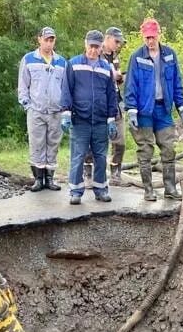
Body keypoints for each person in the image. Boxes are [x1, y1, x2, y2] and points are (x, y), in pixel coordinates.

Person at [124, 18, 183, 201]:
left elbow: (177, 82)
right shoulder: (137, 57)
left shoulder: (169, 55)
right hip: (144, 111)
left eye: (152, 37)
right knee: (145, 150)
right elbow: (131, 86)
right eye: (146, 38)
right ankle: (149, 190)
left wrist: (181, 107)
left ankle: (170, 188)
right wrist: (131, 110)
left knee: (168, 148)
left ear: (158, 34)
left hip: (163, 109)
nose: (150, 41)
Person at [60, 29, 118, 205]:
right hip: (80, 120)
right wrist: (65, 113)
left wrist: (111, 118)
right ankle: (76, 191)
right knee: (78, 156)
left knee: (101, 156)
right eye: (90, 46)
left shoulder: (106, 68)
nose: (93, 50)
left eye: (97, 47)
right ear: (85, 44)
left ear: (101, 48)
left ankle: (101, 189)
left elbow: (111, 94)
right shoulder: (73, 64)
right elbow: (66, 89)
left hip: (100, 120)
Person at [17, 26, 67, 191]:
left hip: (56, 111)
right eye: (46, 39)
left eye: (52, 39)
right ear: (39, 39)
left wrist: (65, 108)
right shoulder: (29, 59)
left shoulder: (61, 62)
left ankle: (50, 178)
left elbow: (65, 87)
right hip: (36, 110)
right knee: (37, 144)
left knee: (53, 144)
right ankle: (38, 179)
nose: (49, 43)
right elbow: (23, 85)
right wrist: (27, 105)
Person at [82, 26, 128, 187]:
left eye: (119, 42)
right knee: (93, 141)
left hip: (115, 101)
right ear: (107, 39)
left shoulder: (115, 56)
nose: (118, 44)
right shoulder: (95, 54)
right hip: (98, 102)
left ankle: (115, 173)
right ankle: (88, 173)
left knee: (120, 140)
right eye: (116, 41)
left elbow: (118, 79)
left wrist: (119, 77)